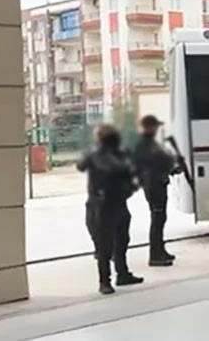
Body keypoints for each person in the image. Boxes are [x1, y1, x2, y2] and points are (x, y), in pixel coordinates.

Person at [78, 125, 144, 294]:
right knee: (105, 245)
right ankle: (105, 281)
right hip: (103, 204)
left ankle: (122, 273)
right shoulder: (100, 155)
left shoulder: (115, 153)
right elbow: (113, 168)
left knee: (121, 239)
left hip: (115, 201)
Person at [130, 115, 177, 267]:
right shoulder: (143, 145)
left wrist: (172, 168)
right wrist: (168, 164)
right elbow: (152, 163)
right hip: (153, 184)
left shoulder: (150, 143)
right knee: (157, 218)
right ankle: (155, 254)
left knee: (160, 218)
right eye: (155, 126)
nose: (157, 129)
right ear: (149, 127)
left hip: (157, 182)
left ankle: (160, 249)